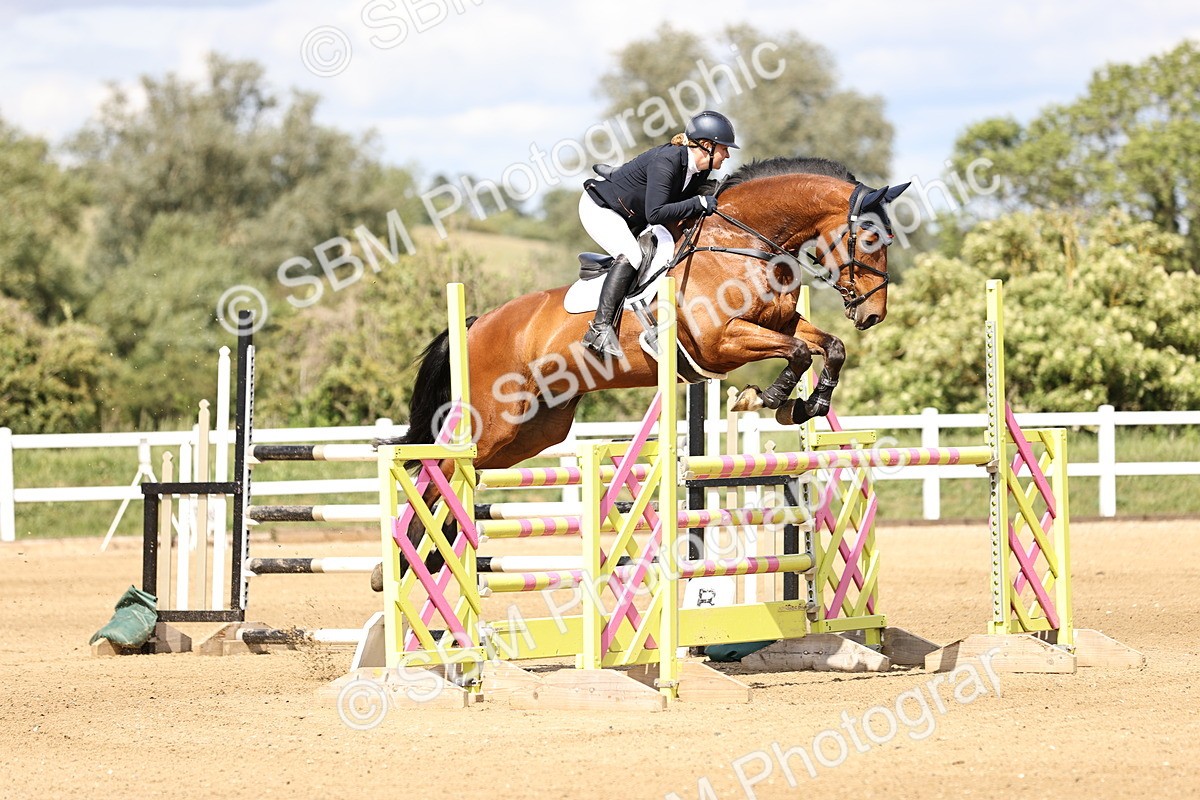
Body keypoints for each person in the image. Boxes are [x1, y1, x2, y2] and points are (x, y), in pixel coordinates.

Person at [578, 109, 738, 356]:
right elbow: (656, 214)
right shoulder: (668, 161)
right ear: (707, 146)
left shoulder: (700, 169)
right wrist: (699, 203)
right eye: (724, 148)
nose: (727, 154)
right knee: (633, 255)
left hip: (632, 214)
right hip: (601, 209)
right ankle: (599, 331)